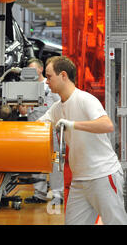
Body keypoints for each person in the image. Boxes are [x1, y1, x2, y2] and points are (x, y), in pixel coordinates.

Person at [38, 55, 127, 225]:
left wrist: (72, 124)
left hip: (102, 174)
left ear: (63, 75)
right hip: (79, 180)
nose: (47, 82)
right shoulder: (56, 109)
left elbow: (107, 125)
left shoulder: (85, 99)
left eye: (49, 77)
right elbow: (38, 125)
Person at [19, 58, 63, 206]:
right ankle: (40, 194)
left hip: (52, 133)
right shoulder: (26, 88)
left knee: (55, 162)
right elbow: (23, 111)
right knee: (36, 163)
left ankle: (58, 194)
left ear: (40, 69)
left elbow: (61, 103)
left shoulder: (50, 86)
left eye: (33, 69)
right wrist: (23, 104)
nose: (30, 72)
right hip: (34, 133)